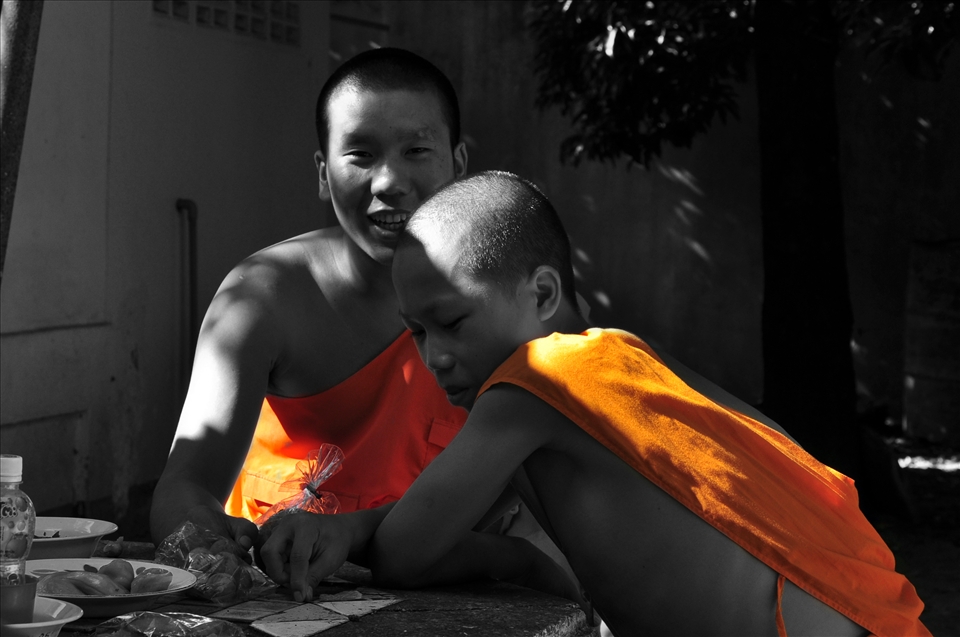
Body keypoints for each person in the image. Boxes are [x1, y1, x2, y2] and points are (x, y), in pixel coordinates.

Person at [259, 171, 930, 636]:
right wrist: (353, 528)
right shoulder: (619, 361)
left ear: (542, 295)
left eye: (453, 323)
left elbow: (407, 550)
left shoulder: (536, 379)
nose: (434, 356)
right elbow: (451, 519)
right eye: (417, 333)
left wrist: (513, 561)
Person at [149, 48, 475, 553]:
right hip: (278, 584)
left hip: (445, 579)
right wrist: (209, 542)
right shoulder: (264, 296)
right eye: (361, 155)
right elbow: (186, 485)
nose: (389, 182)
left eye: (416, 150)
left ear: (458, 165)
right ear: (323, 174)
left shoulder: (499, 298)